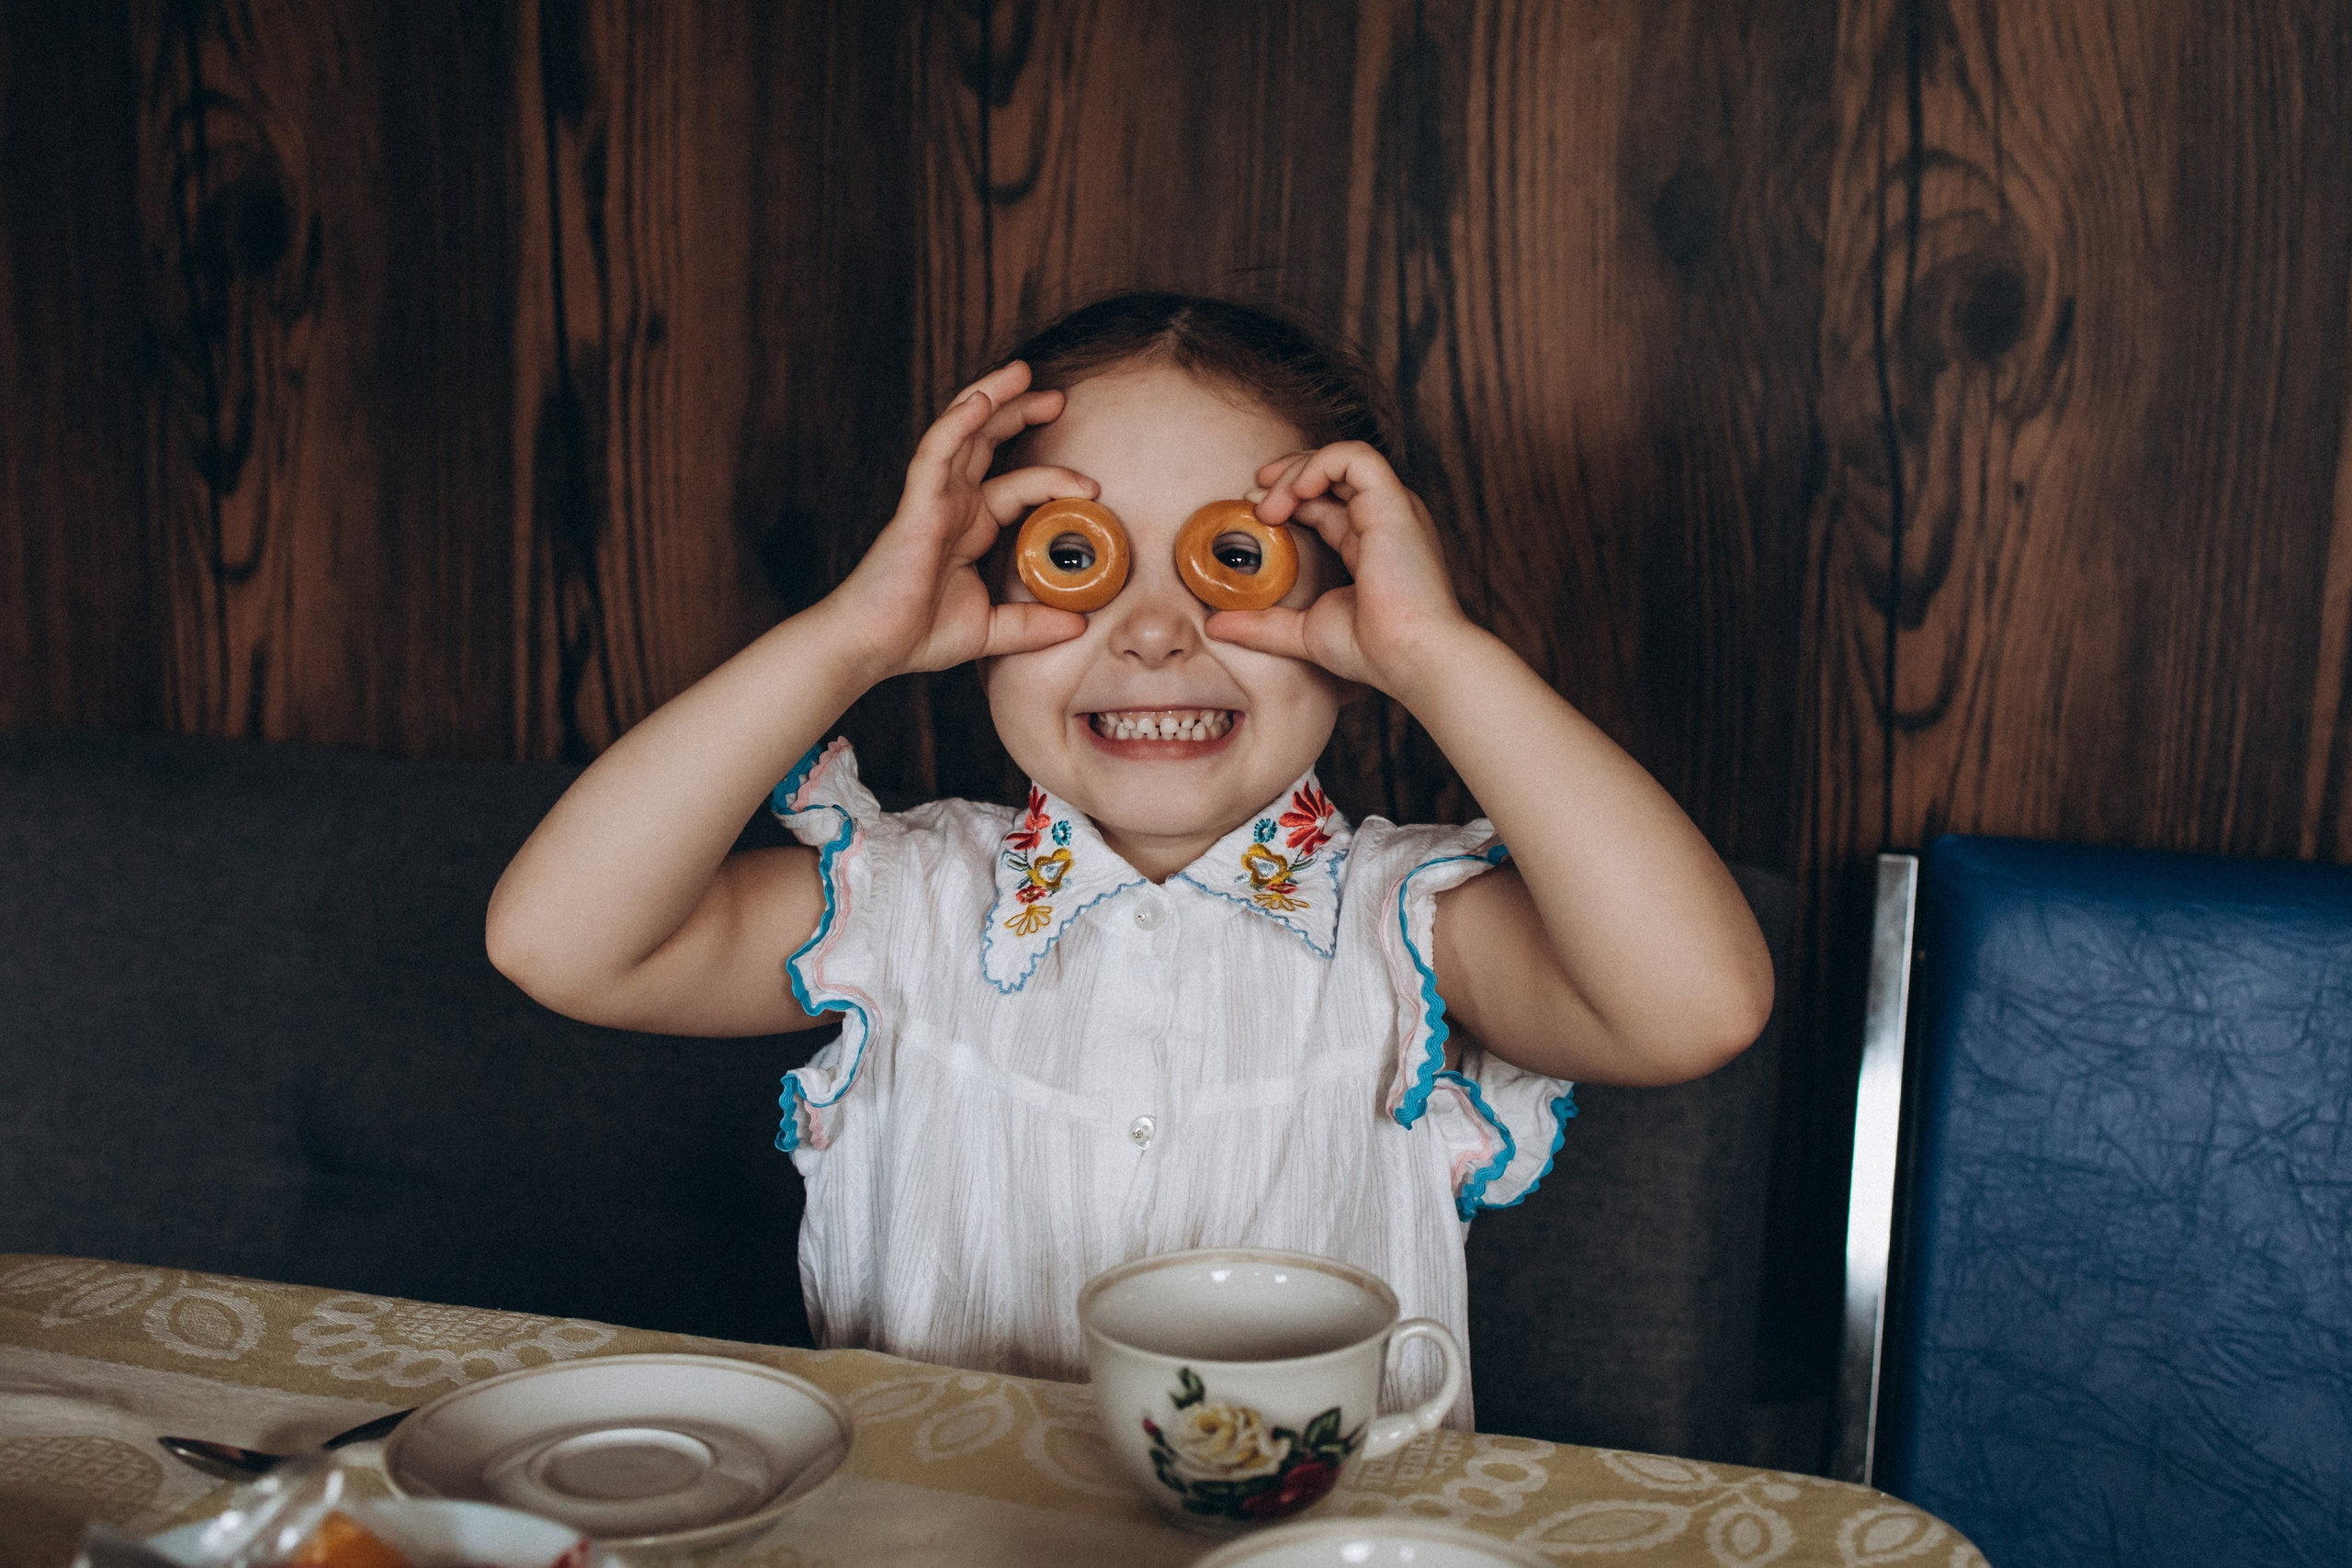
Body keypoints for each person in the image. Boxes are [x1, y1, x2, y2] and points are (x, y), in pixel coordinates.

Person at [486, 293, 1772, 1426]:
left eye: (1230, 562)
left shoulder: (1409, 929)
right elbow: (560, 944)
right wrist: (849, 639)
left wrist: (1443, 657)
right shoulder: (906, 906)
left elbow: (1696, 1009)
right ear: (975, 596)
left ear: (1350, 611)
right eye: (1078, 561)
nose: (1154, 632)